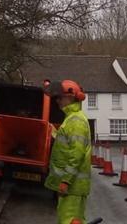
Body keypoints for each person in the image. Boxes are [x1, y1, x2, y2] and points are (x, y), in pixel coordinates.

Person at [43, 79, 92, 224]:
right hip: (73, 187)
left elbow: (75, 156)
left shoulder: (75, 121)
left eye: (60, 97)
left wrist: (65, 182)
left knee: (69, 220)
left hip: (71, 187)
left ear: (70, 97)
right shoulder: (72, 119)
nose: (57, 101)